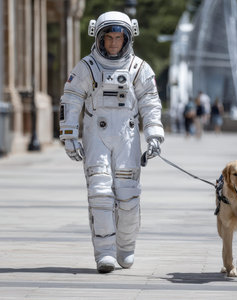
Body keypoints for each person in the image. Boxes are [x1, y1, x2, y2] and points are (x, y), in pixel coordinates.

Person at [59, 11, 164, 273]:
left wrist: (153, 134)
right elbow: (70, 100)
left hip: (127, 137)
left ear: (128, 38)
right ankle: (104, 252)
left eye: (119, 38)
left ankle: (125, 247)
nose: (114, 43)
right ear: (99, 38)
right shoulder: (87, 67)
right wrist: (70, 136)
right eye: (109, 38)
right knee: (100, 193)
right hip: (97, 136)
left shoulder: (139, 68)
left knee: (129, 196)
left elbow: (150, 102)